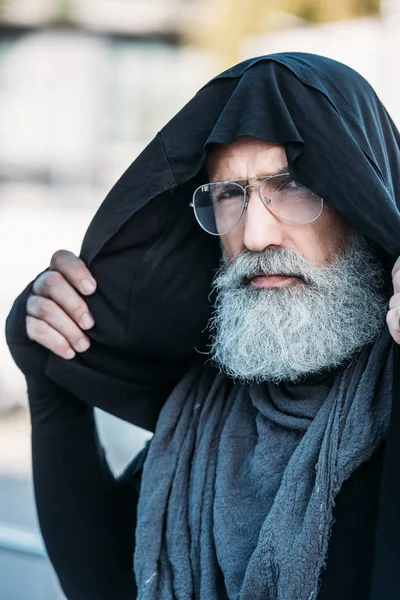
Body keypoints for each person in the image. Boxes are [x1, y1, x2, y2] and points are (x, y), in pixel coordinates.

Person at [5, 53, 400, 600]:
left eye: (291, 187)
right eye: (229, 195)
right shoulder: (209, 410)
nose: (256, 235)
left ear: (359, 198)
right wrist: (51, 384)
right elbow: (105, 584)